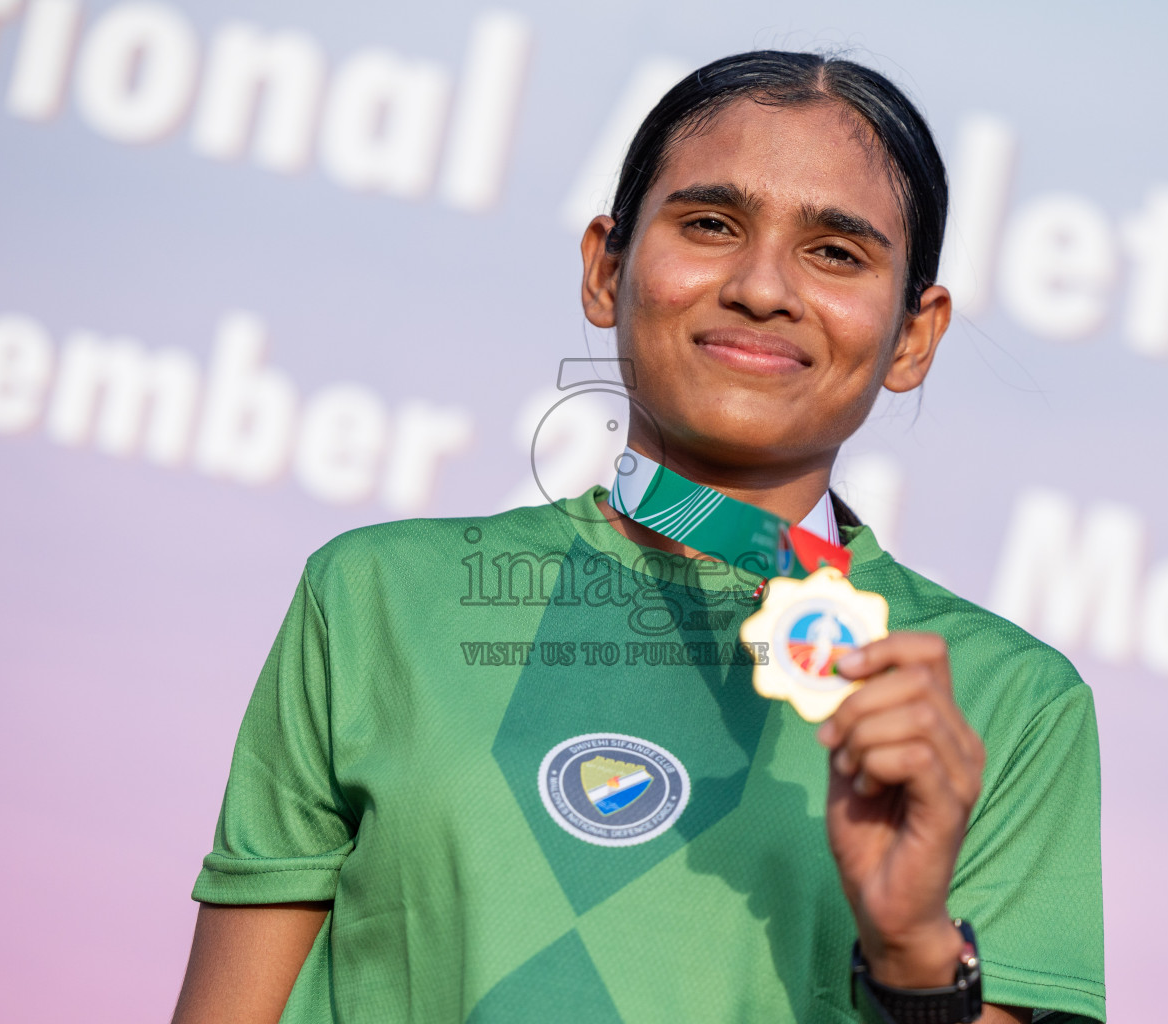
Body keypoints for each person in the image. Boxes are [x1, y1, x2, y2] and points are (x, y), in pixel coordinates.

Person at [172, 50, 1104, 1024]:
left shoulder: (1006, 706)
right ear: (605, 267)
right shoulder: (375, 598)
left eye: (835, 252)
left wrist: (915, 950)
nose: (761, 286)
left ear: (915, 335)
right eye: (711, 223)